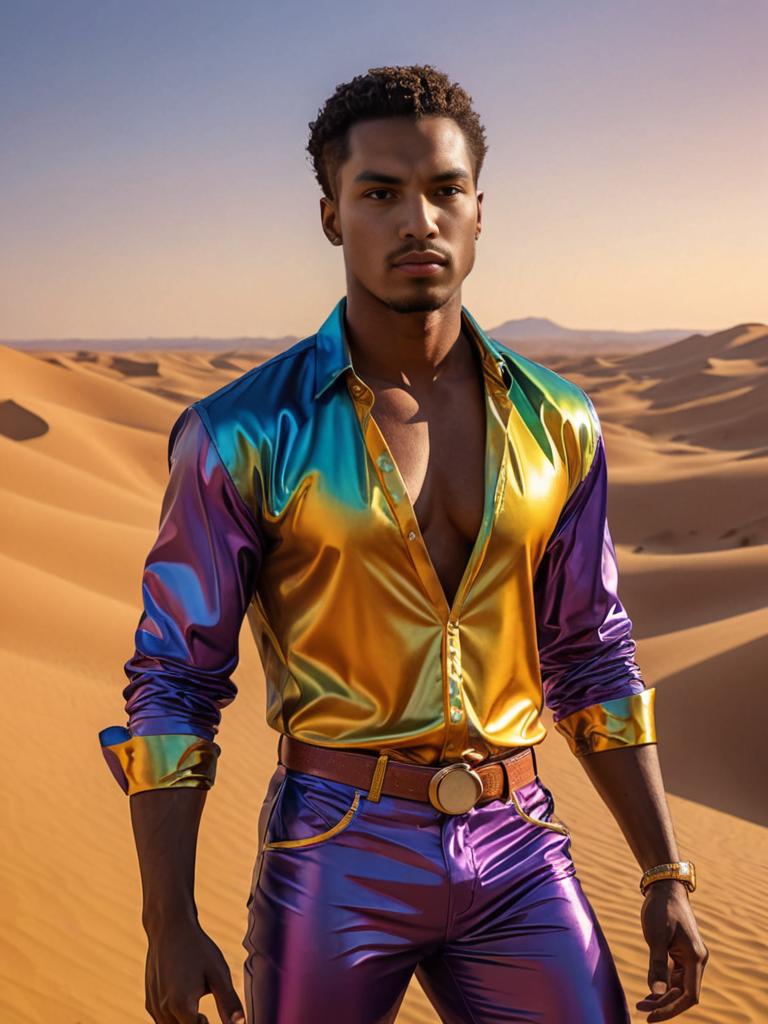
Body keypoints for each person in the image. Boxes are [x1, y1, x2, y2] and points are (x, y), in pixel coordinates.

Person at [98, 64, 708, 1024]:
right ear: (333, 216)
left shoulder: (563, 422)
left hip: (519, 847)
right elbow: (175, 678)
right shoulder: (242, 432)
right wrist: (167, 919)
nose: (416, 219)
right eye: (379, 192)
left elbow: (591, 651)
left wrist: (664, 869)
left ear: (478, 209)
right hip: (337, 848)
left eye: (443, 189)